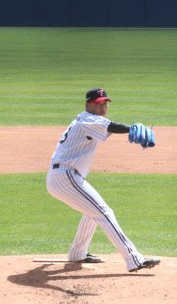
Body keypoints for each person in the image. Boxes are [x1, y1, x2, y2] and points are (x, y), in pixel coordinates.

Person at [46, 88, 160, 273]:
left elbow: (107, 125)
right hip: (66, 176)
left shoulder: (84, 121)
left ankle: (77, 253)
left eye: (105, 103)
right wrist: (131, 128)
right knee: (104, 212)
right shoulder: (87, 119)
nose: (103, 107)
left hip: (63, 177)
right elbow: (111, 126)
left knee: (93, 209)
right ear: (88, 104)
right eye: (99, 104)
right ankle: (134, 259)